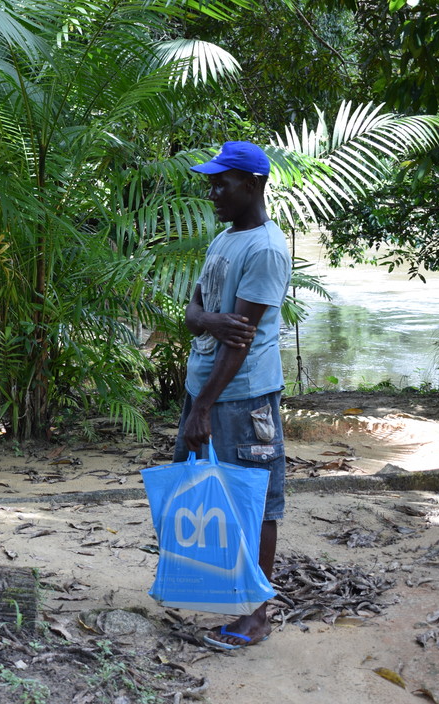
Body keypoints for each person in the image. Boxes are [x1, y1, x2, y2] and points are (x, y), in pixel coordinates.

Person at [178, 141, 291, 650]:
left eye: (222, 183)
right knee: (207, 493)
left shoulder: (265, 249)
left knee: (257, 503)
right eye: (212, 182)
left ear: (253, 185)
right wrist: (205, 320)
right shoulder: (225, 239)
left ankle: (257, 615)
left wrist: (204, 406)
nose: (213, 192)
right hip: (205, 386)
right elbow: (194, 308)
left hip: (241, 397)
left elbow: (241, 341)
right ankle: (227, 595)